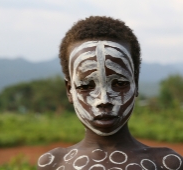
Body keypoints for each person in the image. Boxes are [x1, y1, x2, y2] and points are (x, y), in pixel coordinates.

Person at [37, 16, 183, 170]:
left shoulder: (167, 164)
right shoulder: (53, 163)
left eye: (120, 84)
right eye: (86, 86)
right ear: (69, 90)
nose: (103, 100)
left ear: (136, 84)